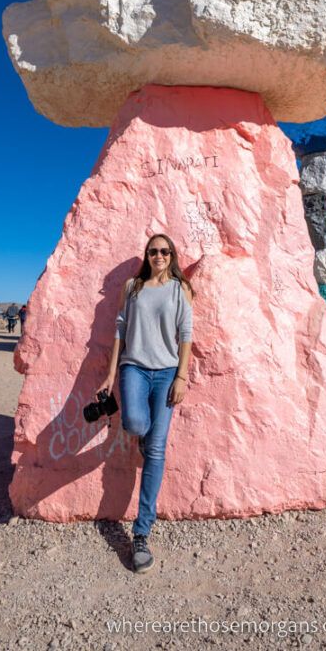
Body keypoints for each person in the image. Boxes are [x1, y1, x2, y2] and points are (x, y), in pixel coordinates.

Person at [100, 233, 193, 574]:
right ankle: (143, 435)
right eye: (153, 251)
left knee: (156, 450)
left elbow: (186, 335)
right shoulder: (132, 287)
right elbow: (119, 332)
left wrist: (181, 376)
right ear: (146, 255)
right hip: (134, 368)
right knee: (136, 424)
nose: (159, 256)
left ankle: (141, 533)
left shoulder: (179, 290)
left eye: (164, 251)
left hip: (167, 372)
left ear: (172, 255)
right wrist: (110, 374)